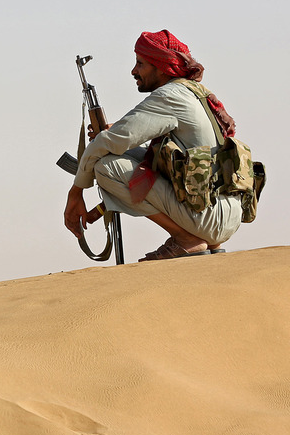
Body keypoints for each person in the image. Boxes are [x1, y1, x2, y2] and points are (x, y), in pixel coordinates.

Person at [62, 30, 242, 261]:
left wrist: (75, 192)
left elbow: (108, 142)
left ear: (161, 66)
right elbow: (156, 152)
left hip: (209, 217)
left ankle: (185, 239)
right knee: (122, 153)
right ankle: (204, 238)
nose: (134, 71)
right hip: (223, 215)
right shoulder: (194, 92)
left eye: (140, 64)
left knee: (106, 165)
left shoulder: (170, 96)